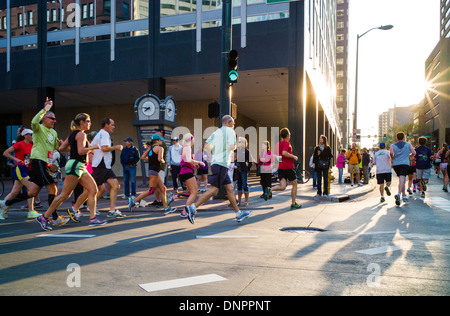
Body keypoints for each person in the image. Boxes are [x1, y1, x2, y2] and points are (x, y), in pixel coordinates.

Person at [0, 98, 68, 226]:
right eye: (52, 118)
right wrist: (45, 109)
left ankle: (5, 203)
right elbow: (34, 121)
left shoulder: (53, 132)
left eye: (55, 119)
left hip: (46, 163)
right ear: (45, 119)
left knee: (32, 192)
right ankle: (54, 217)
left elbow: (56, 148)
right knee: (53, 188)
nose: (54, 121)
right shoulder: (38, 128)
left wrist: (61, 145)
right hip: (38, 161)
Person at [37, 113, 106, 231]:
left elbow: (61, 148)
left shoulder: (73, 135)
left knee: (93, 189)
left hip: (80, 166)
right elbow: (80, 151)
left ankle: (93, 218)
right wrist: (92, 148)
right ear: (82, 122)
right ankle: (44, 217)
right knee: (65, 195)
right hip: (75, 165)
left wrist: (73, 148)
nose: (90, 123)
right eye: (88, 121)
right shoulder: (81, 135)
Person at [184, 115, 252, 224]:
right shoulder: (230, 132)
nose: (233, 126)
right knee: (213, 190)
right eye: (233, 124)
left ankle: (238, 213)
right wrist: (231, 148)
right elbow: (232, 146)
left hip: (218, 163)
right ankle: (193, 207)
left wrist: (210, 157)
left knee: (230, 188)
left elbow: (206, 146)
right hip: (221, 164)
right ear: (229, 122)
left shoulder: (216, 133)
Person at [128, 135, 177, 215]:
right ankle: (133, 201)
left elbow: (143, 157)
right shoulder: (160, 148)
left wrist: (151, 160)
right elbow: (159, 159)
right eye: (161, 140)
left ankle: (166, 208)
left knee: (163, 189)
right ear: (157, 140)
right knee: (150, 190)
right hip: (155, 171)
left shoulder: (150, 149)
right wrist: (164, 161)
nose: (162, 141)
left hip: (152, 171)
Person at [1, 128, 40, 220]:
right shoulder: (19, 144)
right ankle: (31, 211)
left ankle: (2, 210)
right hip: (19, 169)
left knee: (14, 192)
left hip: (27, 170)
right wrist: (16, 160)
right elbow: (5, 153)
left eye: (32, 134)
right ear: (25, 135)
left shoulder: (32, 145)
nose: (31, 136)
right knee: (31, 189)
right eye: (30, 134)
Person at [90, 117, 125, 219]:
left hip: (105, 165)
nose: (113, 127)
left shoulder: (101, 134)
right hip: (101, 165)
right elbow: (104, 148)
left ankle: (112, 210)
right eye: (112, 125)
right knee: (92, 190)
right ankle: (76, 209)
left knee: (115, 186)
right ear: (106, 125)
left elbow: (92, 149)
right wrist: (116, 147)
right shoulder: (104, 134)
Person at [272, 128, 302, 209]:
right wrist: (294, 156)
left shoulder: (278, 144)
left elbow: (274, 155)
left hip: (281, 168)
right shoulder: (287, 143)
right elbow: (284, 153)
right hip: (288, 167)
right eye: (290, 135)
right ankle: (293, 203)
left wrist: (280, 159)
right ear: (288, 135)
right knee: (295, 183)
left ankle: (270, 189)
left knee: (283, 186)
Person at [178, 133, 205, 217]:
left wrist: (194, 164)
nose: (194, 141)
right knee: (194, 193)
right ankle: (184, 212)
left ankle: (175, 197)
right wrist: (199, 162)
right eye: (193, 139)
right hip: (187, 172)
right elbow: (188, 160)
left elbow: (185, 161)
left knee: (192, 193)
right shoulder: (187, 147)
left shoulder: (185, 148)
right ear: (191, 140)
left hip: (185, 171)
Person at [390, 132, 416, 206]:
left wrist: (393, 158)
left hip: (396, 164)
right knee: (402, 178)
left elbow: (391, 153)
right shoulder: (408, 144)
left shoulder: (393, 145)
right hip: (404, 163)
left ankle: (404, 195)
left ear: (397, 138)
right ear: (404, 137)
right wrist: (409, 155)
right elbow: (414, 153)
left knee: (402, 179)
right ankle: (398, 194)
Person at [235, 137, 253, 206]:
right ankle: (239, 201)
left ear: (243, 143)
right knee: (239, 185)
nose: (239, 143)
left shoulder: (246, 151)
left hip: (243, 171)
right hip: (237, 171)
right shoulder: (235, 151)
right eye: (238, 142)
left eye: (240, 142)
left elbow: (250, 161)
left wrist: (248, 168)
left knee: (244, 185)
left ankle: (246, 201)